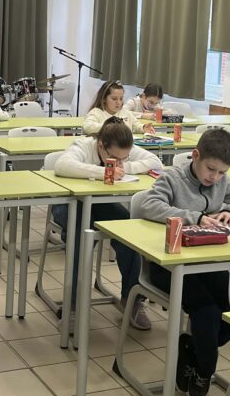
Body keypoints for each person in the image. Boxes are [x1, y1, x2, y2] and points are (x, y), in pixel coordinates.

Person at [136, 129, 230, 396]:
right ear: (196, 156)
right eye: (211, 169)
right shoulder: (173, 177)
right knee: (207, 312)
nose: (214, 177)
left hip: (206, 263)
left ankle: (194, 349)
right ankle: (205, 369)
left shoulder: (222, 181)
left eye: (221, 172)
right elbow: (149, 205)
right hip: (167, 265)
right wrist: (195, 217)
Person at [52, 117, 162, 330]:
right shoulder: (84, 146)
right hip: (69, 204)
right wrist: (103, 171)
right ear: (101, 145)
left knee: (128, 231)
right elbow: (61, 165)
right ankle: (73, 305)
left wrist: (125, 166)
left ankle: (132, 299)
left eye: (124, 158)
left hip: (99, 204)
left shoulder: (122, 148)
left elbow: (154, 162)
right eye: (114, 158)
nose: (118, 161)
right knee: (81, 234)